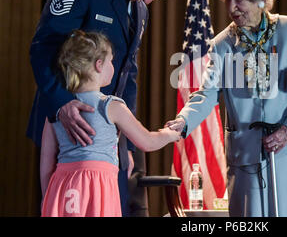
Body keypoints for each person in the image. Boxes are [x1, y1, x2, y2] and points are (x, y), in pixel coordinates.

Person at [27, 0, 190, 215]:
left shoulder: (141, 11)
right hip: (67, 130)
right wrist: (62, 103)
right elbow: (44, 47)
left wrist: (124, 139)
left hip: (109, 147)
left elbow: (129, 73)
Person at [165, 0, 287, 217]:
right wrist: (182, 121)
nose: (231, 8)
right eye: (228, 0)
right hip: (245, 154)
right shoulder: (221, 45)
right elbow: (206, 94)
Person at [40, 30, 181, 217]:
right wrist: (171, 134)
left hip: (61, 187)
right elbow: (146, 141)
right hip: (96, 187)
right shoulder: (110, 105)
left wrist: (48, 197)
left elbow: (46, 161)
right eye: (111, 61)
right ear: (99, 65)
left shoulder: (59, 110)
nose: (112, 66)